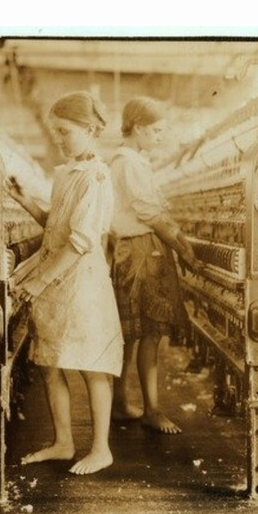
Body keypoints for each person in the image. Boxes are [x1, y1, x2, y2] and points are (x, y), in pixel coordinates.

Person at [7, 90, 123, 475]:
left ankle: (101, 449)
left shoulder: (96, 178)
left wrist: (39, 282)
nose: (58, 139)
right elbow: (55, 226)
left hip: (81, 282)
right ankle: (63, 442)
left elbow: (80, 241)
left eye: (65, 131)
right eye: (55, 131)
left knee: (92, 366)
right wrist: (25, 200)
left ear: (89, 129)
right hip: (56, 279)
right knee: (49, 362)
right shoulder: (67, 174)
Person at [109, 97, 203, 434]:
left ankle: (121, 403)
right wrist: (181, 245)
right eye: (157, 130)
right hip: (142, 253)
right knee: (149, 333)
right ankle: (151, 409)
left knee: (130, 334)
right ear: (138, 127)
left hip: (131, 250)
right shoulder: (129, 163)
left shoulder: (128, 161)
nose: (161, 137)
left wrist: (176, 240)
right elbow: (149, 212)